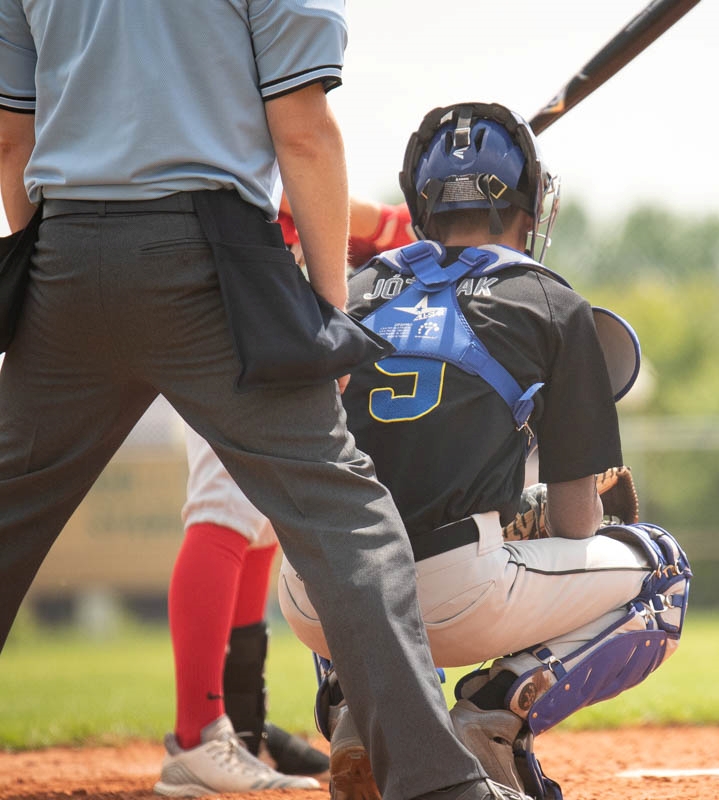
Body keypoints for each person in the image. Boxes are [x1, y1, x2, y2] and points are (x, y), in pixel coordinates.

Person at [0, 5, 525, 800]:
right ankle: (437, 785)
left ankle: (225, 724)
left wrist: (70, 265)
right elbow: (304, 134)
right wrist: (326, 315)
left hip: (64, 252)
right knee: (344, 515)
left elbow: (13, 142)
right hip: (209, 261)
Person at [276, 101, 692, 800]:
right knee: (665, 573)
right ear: (531, 206)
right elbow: (576, 525)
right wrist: (527, 510)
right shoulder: (551, 302)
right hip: (453, 597)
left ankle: (358, 708)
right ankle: (490, 720)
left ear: (422, 201)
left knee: (343, 526)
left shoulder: (349, 288)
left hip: (311, 596)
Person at [165, 197, 414, 786]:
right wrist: (380, 222)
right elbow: (290, 171)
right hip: (225, 285)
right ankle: (197, 736)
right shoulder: (241, 105)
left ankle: (241, 732)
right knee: (223, 510)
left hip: (231, 279)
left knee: (253, 518)